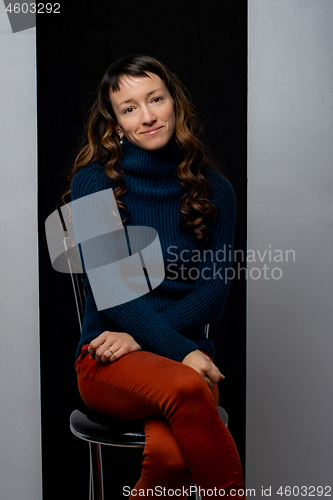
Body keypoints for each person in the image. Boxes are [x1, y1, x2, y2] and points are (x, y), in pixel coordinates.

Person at [66, 54, 245, 499]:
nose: (146, 117)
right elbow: (111, 293)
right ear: (116, 122)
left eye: (155, 99)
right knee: (189, 386)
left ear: (174, 102)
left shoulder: (215, 190)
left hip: (174, 358)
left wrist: (143, 339)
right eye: (129, 108)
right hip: (109, 362)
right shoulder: (92, 184)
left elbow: (213, 295)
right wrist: (184, 351)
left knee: (168, 459)